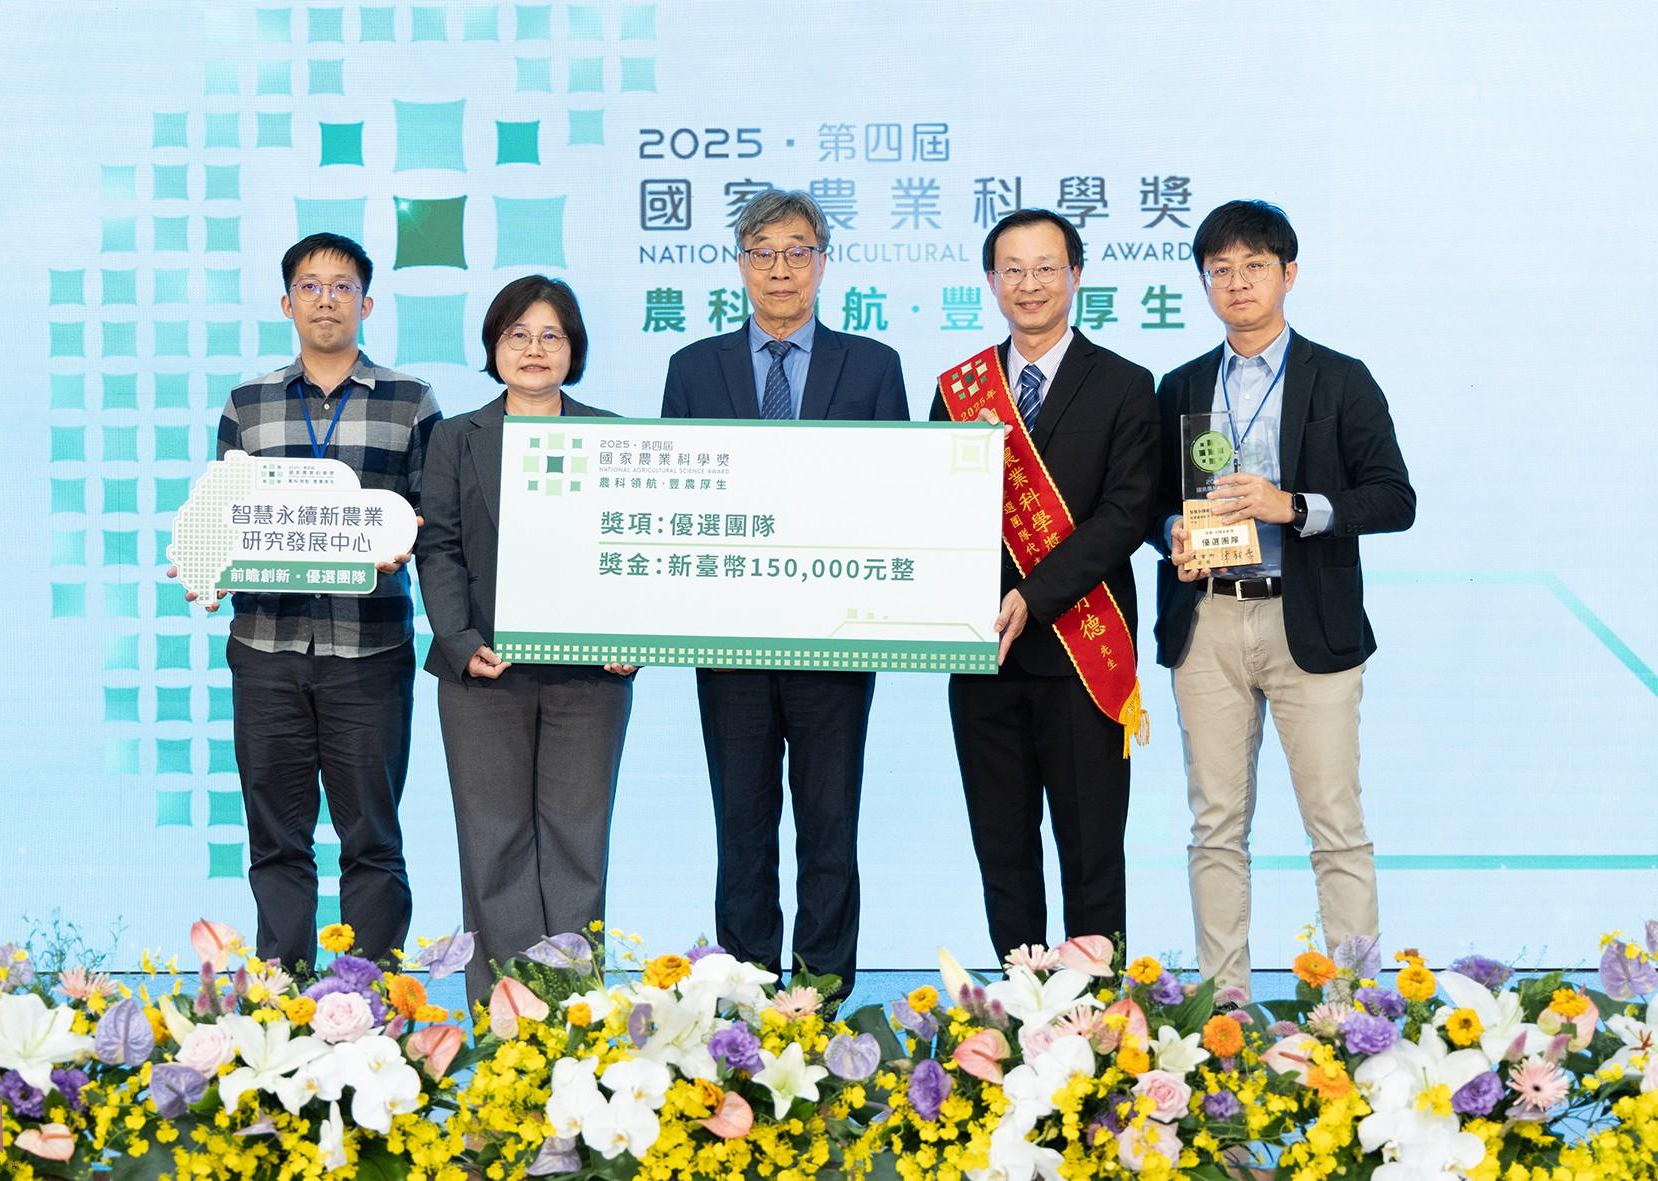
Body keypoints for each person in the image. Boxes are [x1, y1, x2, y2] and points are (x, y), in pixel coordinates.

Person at [1152, 199, 1415, 993]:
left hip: (1309, 620)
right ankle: (1222, 1010)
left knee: (1336, 826)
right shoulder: (1180, 384)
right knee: (1214, 827)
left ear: (1289, 274)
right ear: (1205, 283)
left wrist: (1293, 506)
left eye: (1255, 266)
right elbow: (1150, 502)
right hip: (1207, 619)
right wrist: (1171, 530)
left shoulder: (1340, 378)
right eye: (1220, 270)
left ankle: (1355, 1009)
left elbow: (1394, 498)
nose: (1238, 283)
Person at [660, 189, 907, 1000]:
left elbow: (899, 498)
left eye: (797, 251)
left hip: (836, 636)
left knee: (831, 827)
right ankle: (743, 998)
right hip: (728, 638)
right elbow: (671, 502)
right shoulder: (692, 368)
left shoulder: (873, 367)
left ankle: (821, 999)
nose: (780, 269)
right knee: (742, 825)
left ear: (823, 262)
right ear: (739, 264)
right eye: (762, 252)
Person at [931, 208, 1158, 962]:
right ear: (991, 281)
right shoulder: (959, 389)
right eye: (1013, 270)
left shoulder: (1126, 384)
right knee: (1002, 848)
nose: (1029, 285)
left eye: (1046, 268)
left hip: (1082, 652)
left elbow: (1125, 514)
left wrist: (1032, 595)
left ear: (1075, 276)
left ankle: (1098, 1012)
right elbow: (935, 515)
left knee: (1092, 848)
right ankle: (1019, 1006)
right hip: (984, 655)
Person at [211, 232, 440, 968]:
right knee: (276, 837)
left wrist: (404, 536)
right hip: (266, 645)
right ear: (287, 304)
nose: (326, 299)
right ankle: (281, 998)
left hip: (369, 645)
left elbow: (432, 516)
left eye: (343, 287)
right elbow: (225, 516)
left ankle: (372, 999)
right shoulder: (247, 404)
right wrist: (207, 563)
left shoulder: (410, 401)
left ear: (366, 304)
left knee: (372, 836)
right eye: (309, 286)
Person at [416, 276, 635, 1009]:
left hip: (589, 677)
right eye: (517, 334)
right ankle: (508, 1022)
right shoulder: (455, 437)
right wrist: (459, 640)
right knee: (494, 846)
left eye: (550, 335)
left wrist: (632, 635)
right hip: (484, 673)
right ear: (494, 346)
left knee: (578, 846)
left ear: (574, 349)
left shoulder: (615, 435)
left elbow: (635, 548)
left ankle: (573, 1020)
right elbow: (438, 548)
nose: (534, 349)